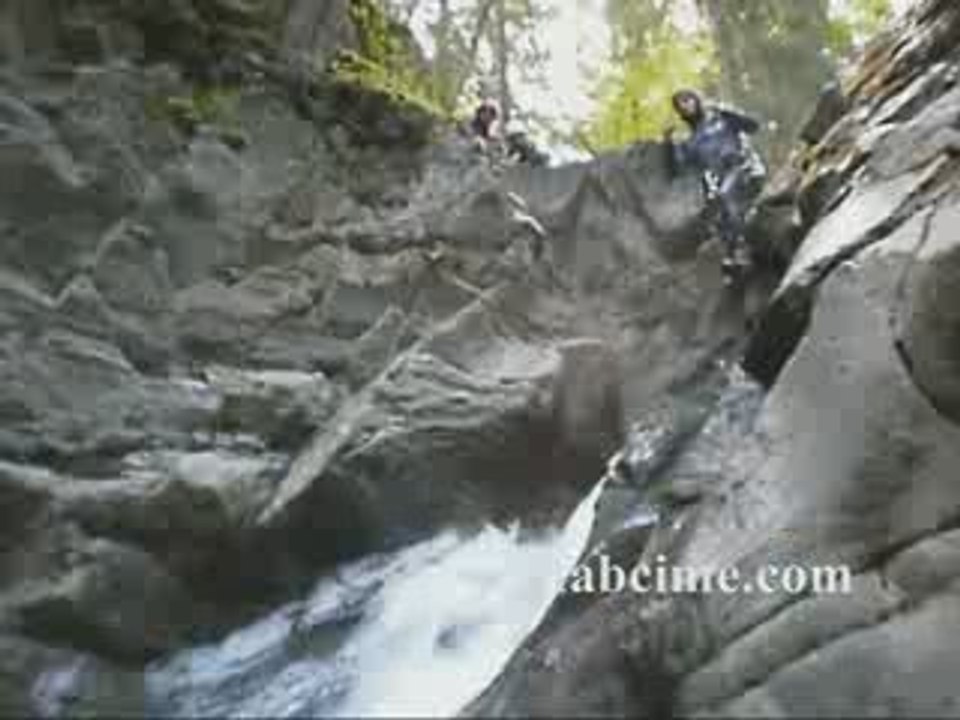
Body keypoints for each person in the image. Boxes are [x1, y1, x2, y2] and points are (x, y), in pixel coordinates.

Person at [664, 89, 766, 280]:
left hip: (745, 167)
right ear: (680, 112)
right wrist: (668, 143)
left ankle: (740, 251)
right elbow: (677, 170)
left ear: (696, 100)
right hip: (723, 181)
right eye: (680, 105)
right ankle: (734, 259)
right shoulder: (690, 143)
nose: (686, 105)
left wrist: (726, 111)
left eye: (687, 100)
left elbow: (753, 126)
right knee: (716, 204)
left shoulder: (721, 119)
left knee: (723, 195)